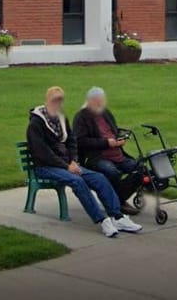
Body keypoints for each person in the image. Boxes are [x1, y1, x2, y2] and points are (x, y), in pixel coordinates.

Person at [26, 86, 143, 238]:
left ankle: (117, 217)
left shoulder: (61, 119)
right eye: (54, 100)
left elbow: (72, 142)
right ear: (46, 100)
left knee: (99, 178)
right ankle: (102, 221)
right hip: (46, 166)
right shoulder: (36, 124)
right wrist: (66, 166)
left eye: (60, 100)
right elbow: (42, 153)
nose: (57, 104)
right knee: (77, 181)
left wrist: (74, 161)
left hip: (67, 165)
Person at [73, 87, 142, 215]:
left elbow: (114, 131)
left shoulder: (105, 113)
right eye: (97, 101)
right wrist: (106, 143)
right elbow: (80, 141)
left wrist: (120, 139)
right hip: (97, 157)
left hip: (117, 154)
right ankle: (119, 203)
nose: (101, 104)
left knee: (140, 168)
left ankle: (118, 199)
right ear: (90, 101)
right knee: (112, 172)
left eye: (102, 101)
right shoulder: (81, 117)